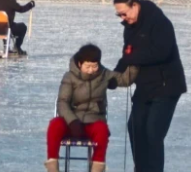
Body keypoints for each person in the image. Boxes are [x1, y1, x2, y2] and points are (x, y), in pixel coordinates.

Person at [113, 0, 187, 172]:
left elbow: (161, 52)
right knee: (135, 128)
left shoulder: (159, 23)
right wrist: (113, 77)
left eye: (125, 13)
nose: (123, 17)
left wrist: (132, 58)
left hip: (166, 86)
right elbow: (127, 55)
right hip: (144, 87)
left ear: (135, 6)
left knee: (153, 133)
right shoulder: (129, 28)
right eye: (119, 14)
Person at [45, 44, 137, 172]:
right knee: (55, 125)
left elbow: (124, 80)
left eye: (94, 66)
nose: (91, 70)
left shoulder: (104, 74)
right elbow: (62, 102)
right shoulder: (69, 77)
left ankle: (97, 168)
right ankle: (52, 167)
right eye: (87, 66)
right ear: (79, 64)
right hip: (72, 122)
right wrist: (72, 121)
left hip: (93, 121)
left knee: (102, 130)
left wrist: (134, 60)